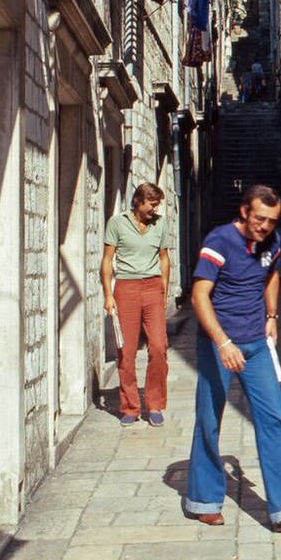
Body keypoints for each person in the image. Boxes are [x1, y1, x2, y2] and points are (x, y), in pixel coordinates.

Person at [184, 184, 281, 532]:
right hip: (219, 344)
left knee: (275, 419)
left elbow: (271, 274)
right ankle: (204, 499)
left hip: (257, 344)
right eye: (260, 218)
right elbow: (199, 295)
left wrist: (272, 316)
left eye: (272, 221)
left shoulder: (271, 242)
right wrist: (223, 342)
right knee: (209, 418)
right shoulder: (218, 241)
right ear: (245, 211)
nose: (265, 226)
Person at [101, 183, 171, 426]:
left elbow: (164, 259)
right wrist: (108, 294)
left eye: (157, 205)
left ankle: (154, 405)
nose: (155, 209)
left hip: (153, 287)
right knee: (126, 350)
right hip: (126, 288)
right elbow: (107, 260)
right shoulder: (117, 223)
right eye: (152, 204)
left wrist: (164, 292)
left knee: (159, 346)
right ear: (139, 202)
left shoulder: (160, 223)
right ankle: (130, 406)